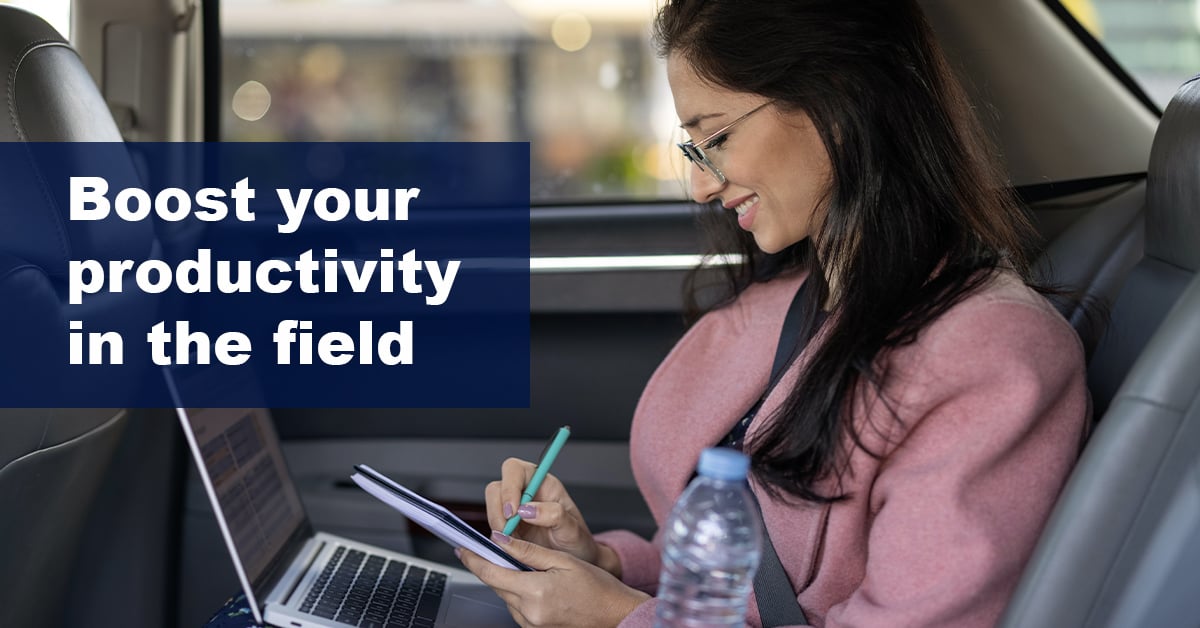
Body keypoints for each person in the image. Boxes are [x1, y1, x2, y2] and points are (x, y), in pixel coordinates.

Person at [456, 1, 1090, 626]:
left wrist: (616, 618)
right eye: (694, 149)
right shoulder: (813, 296)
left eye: (720, 137)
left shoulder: (992, 355)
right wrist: (601, 564)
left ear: (838, 102)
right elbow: (748, 582)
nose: (703, 185)